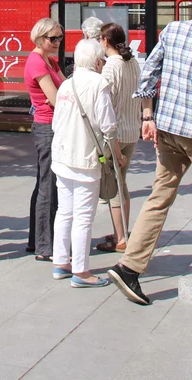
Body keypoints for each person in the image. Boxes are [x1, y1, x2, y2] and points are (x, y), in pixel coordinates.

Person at [108, 0, 192, 306]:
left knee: (160, 194)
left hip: (165, 124)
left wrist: (148, 117)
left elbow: (149, 72)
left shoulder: (173, 30)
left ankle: (130, 266)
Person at [50, 39, 116, 288]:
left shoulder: (66, 84)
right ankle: (81, 270)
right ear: (98, 62)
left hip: (62, 155)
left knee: (64, 212)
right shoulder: (99, 83)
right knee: (84, 216)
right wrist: (115, 152)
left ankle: (61, 263)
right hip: (86, 158)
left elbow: (57, 123)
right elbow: (108, 125)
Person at [95, 22, 142, 253]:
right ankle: (121, 230)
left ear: (105, 41)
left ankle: (120, 237)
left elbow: (106, 103)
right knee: (121, 182)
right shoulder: (133, 62)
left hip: (116, 133)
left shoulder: (110, 67)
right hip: (133, 130)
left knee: (113, 186)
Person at [24, 18, 65, 261]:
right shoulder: (37, 62)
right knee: (48, 186)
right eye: (53, 38)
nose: (58, 42)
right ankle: (44, 246)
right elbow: (58, 98)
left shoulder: (50, 60)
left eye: (60, 37)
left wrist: (60, 96)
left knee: (44, 183)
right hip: (47, 126)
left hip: (53, 125)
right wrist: (58, 97)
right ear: (40, 39)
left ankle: (37, 240)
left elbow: (64, 91)